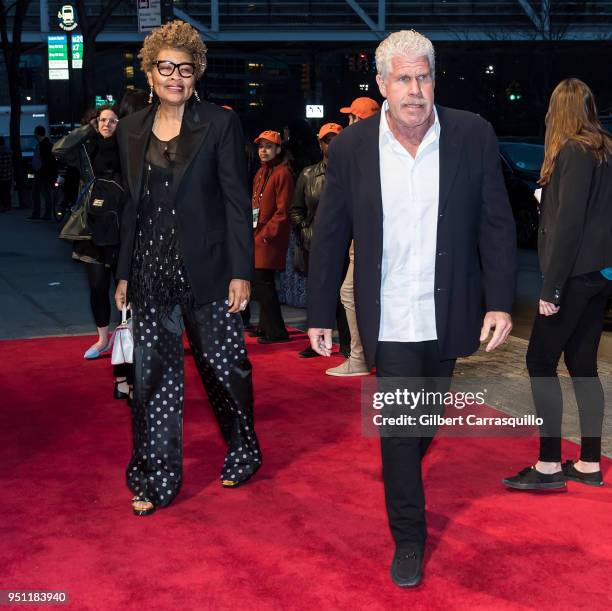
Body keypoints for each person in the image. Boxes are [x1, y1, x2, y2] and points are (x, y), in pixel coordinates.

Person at [307, 30, 516, 587]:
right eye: (403, 79)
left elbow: (496, 225)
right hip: (391, 313)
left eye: (423, 77)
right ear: (380, 84)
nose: (415, 90)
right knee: (400, 429)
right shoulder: (351, 149)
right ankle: (408, 536)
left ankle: (404, 482)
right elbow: (330, 235)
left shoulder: (472, 134)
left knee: (424, 420)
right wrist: (320, 310)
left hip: (449, 313)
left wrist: (499, 301)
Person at [114, 20, 261, 516]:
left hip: (210, 270)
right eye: (165, 67)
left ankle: (244, 447)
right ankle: (156, 478)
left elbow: (237, 203)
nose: (175, 76)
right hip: (150, 270)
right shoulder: (132, 128)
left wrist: (242, 271)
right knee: (152, 375)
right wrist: (123, 274)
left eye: (185, 67)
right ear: (150, 72)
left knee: (224, 369)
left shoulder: (219, 123)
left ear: (195, 74)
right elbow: (131, 208)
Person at [503, 78, 612, 491]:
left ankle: (549, 465)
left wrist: (551, 289)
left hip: (574, 277)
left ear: (558, 111)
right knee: (583, 366)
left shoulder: (573, 151)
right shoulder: (605, 148)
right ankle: (587, 462)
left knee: (540, 363)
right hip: (599, 276)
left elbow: (568, 226)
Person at [53, 105, 134, 401]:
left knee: (126, 286)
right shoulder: (86, 148)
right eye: (103, 120)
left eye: (113, 120)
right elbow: (59, 149)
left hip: (122, 225)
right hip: (91, 227)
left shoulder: (128, 146)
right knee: (97, 286)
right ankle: (103, 340)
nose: (108, 124)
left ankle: (129, 337)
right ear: (95, 122)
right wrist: (86, 129)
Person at [326, 97, 381, 376]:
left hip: (371, 238)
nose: (348, 124)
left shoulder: (373, 150)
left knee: (353, 293)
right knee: (353, 293)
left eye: (352, 118)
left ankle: (362, 358)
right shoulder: (363, 148)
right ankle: (364, 356)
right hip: (360, 236)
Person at [289, 122, 351, 359]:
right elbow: (295, 209)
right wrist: (305, 230)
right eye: (327, 140)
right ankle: (317, 342)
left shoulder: (353, 173)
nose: (331, 144)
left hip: (345, 246)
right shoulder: (307, 174)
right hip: (314, 246)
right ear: (320, 144)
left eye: (336, 140)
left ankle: (347, 345)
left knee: (345, 299)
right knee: (317, 294)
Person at [250, 130, 294, 344]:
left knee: (263, 283)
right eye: (260, 146)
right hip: (258, 234)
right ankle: (267, 327)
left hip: (269, 238)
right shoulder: (260, 173)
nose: (263, 151)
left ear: (278, 149)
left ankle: (276, 331)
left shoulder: (282, 173)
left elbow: (283, 211)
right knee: (262, 283)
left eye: (268, 146)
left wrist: (266, 234)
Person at [28, 126, 56, 220]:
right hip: (43, 172)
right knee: (44, 193)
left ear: (37, 133)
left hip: (42, 173)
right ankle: (45, 214)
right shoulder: (46, 144)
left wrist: (40, 170)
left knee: (39, 193)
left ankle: (39, 213)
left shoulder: (44, 145)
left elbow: (46, 161)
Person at [0, 136, 12, 212]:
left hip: (1, 175)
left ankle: (3, 207)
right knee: (6, 192)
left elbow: (1, 165)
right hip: (8, 175)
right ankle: (7, 206)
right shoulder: (9, 151)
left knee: (1, 192)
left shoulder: (0, 152)